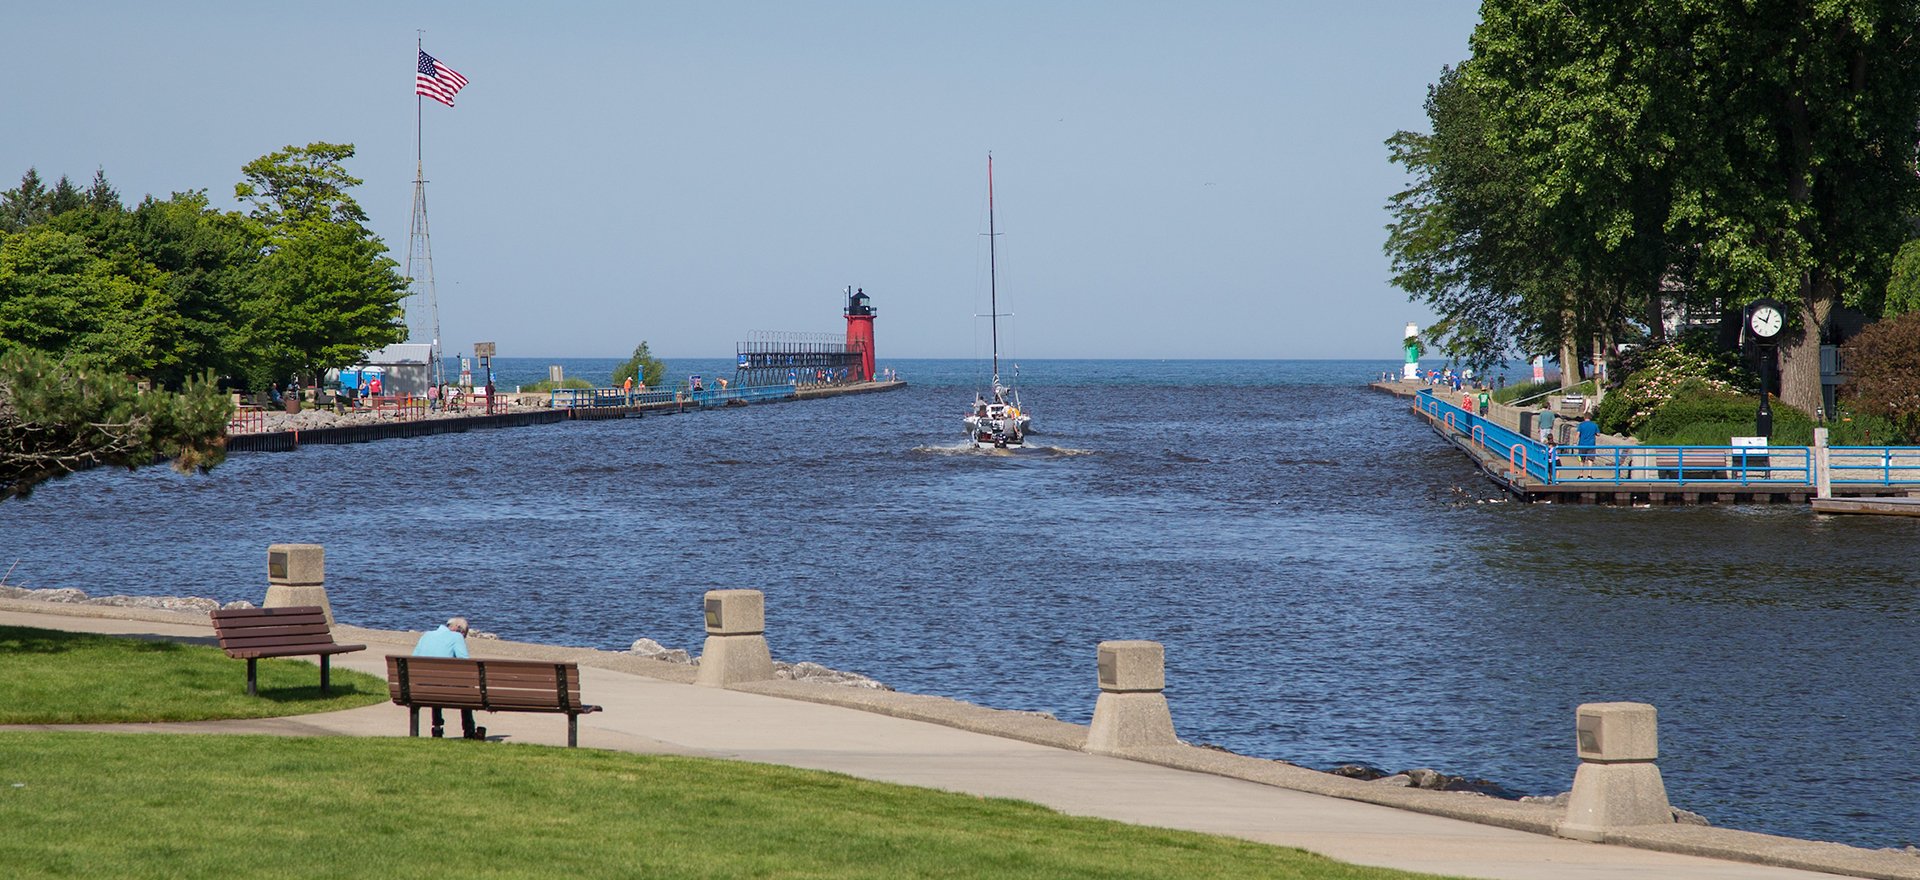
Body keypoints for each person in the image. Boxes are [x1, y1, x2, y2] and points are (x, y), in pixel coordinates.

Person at [414, 617, 483, 740]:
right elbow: (466, 665)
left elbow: (414, 659)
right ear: (458, 629)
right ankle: (469, 730)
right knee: (466, 687)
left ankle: (437, 728)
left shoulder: (427, 635)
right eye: (464, 634)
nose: (463, 637)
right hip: (443, 688)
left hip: (421, 688)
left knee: (437, 683)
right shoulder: (456, 637)